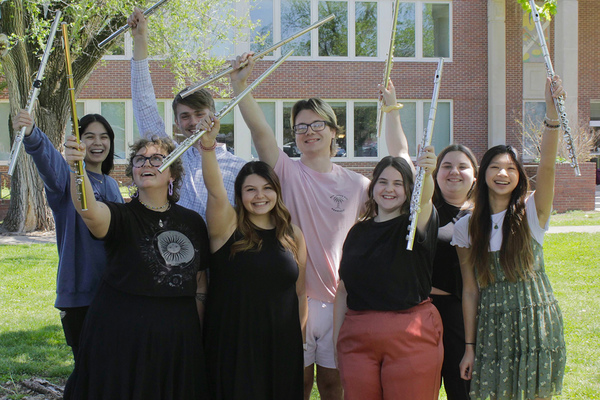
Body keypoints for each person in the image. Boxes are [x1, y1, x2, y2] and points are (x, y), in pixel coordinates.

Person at [229, 53, 373, 400]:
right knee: (298, 384)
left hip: (341, 301)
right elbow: (259, 130)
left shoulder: (359, 185)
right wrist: (240, 84)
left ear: (334, 130)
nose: (309, 132)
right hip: (295, 300)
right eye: (301, 127)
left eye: (317, 125)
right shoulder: (286, 171)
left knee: (333, 386)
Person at [62, 135, 210, 400]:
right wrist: (77, 169)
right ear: (132, 173)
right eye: (139, 160)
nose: (146, 164)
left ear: (173, 173)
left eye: (157, 159)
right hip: (122, 338)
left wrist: (195, 335)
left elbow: (200, 283)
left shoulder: (193, 221)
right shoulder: (121, 216)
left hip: (178, 339)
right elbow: (88, 210)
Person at [452, 76, 567, 400]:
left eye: (511, 169)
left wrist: (552, 116)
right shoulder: (466, 227)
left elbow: (547, 168)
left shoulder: (533, 213)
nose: (503, 174)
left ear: (519, 177)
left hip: (535, 319)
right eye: (495, 167)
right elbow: (470, 291)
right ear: (483, 174)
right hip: (492, 328)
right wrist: (469, 347)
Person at [197, 116, 307, 399]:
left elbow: (299, 293)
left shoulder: (292, 234)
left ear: (277, 192)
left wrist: (296, 339)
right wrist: (208, 147)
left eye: (267, 188)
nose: (260, 196)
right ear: (240, 194)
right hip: (234, 345)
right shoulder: (227, 227)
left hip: (280, 345)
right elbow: (215, 191)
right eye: (251, 189)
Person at [13, 110, 123, 361]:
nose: (97, 143)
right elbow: (46, 158)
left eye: (104, 137)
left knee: (114, 367)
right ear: (78, 143)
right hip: (80, 295)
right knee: (88, 369)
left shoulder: (111, 185)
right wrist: (31, 133)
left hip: (114, 291)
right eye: (90, 137)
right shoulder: (66, 178)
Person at [333, 148, 442, 400]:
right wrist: (338, 341)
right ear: (373, 187)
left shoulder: (415, 225)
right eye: (382, 182)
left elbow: (425, 199)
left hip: (410, 335)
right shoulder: (357, 233)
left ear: (409, 190)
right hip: (357, 338)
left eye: (398, 183)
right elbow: (343, 290)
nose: (389, 189)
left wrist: (427, 173)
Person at [128, 8, 246, 220]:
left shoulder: (239, 167)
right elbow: (144, 104)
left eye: (200, 114)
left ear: (214, 115)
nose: (193, 122)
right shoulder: (173, 157)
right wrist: (140, 39)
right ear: (176, 122)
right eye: (185, 116)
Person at [430, 144, 478, 400]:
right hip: (424, 312)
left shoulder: (483, 216)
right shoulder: (424, 211)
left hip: (463, 315)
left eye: (462, 167)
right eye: (447, 166)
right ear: (436, 173)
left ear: (475, 176)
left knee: (461, 391)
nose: (454, 172)